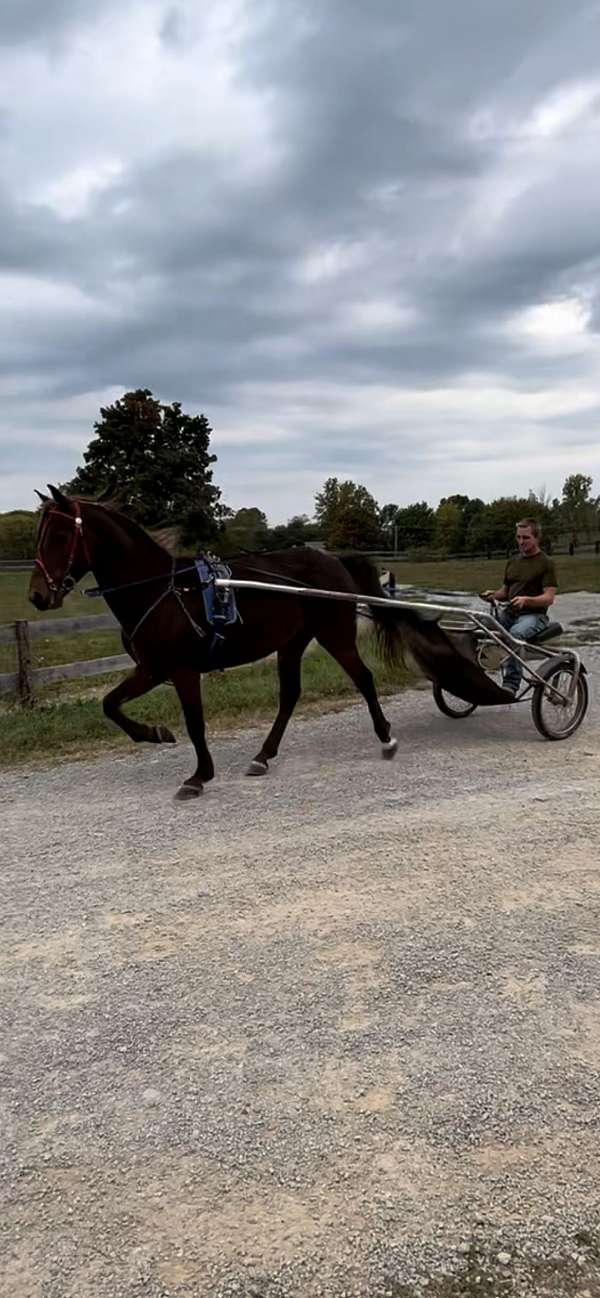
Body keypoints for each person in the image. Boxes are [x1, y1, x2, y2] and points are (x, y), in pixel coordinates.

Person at [481, 518, 558, 696]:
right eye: (518, 537)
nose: (521, 542)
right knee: (477, 626)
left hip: (534, 616)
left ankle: (511, 685)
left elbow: (549, 598)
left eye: (526, 537)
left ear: (537, 538)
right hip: (509, 612)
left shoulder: (546, 563)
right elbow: (505, 592)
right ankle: (475, 674)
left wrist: (527, 600)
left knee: (514, 635)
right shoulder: (513, 561)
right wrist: (492, 595)